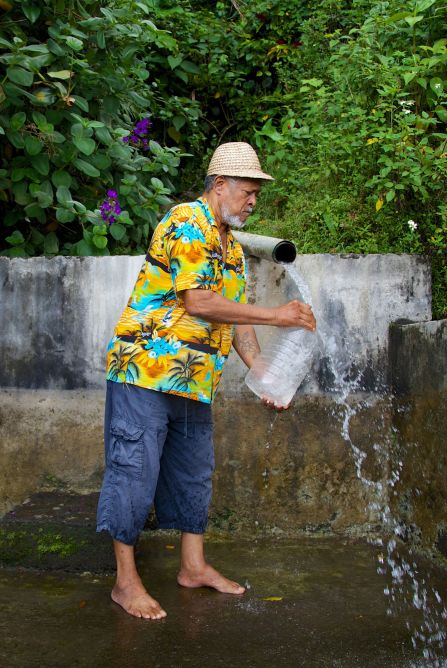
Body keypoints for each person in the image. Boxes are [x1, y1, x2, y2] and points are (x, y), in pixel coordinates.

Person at [95, 141, 317, 619]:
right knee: (133, 472)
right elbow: (198, 302)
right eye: (247, 190)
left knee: (195, 473)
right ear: (219, 185)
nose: (253, 200)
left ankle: (192, 567)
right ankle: (125, 582)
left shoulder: (231, 249)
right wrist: (278, 316)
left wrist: (263, 373)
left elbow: (235, 320)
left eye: (258, 192)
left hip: (194, 383)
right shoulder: (186, 222)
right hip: (144, 374)